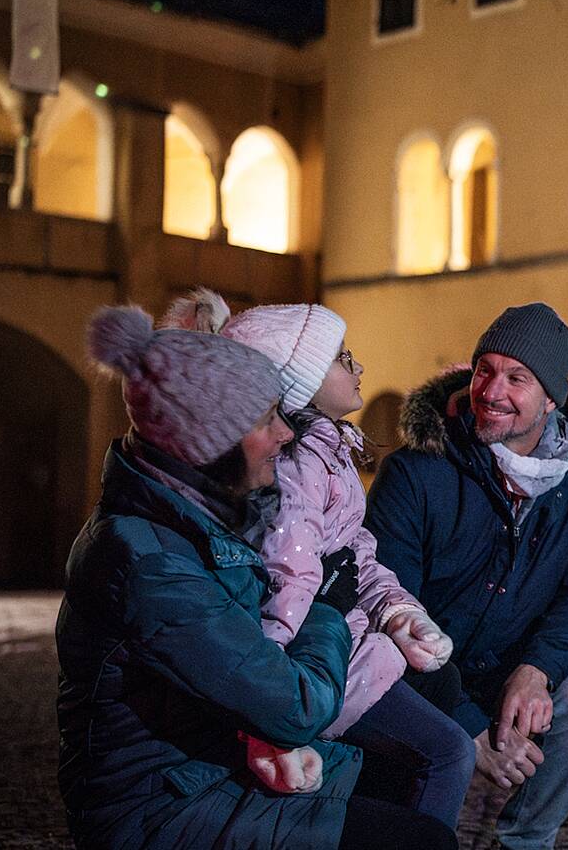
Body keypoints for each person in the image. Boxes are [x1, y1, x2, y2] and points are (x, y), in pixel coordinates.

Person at [58, 305, 455, 850]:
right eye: (265, 419)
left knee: (404, 773)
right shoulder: (150, 564)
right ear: (211, 443)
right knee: (420, 836)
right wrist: (328, 609)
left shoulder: (202, 513)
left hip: (208, 770)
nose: (283, 433)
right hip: (163, 809)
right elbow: (293, 707)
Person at [161, 289, 476, 827]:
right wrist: (270, 716)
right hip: (317, 664)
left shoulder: (329, 451)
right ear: (300, 381)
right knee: (448, 754)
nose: (357, 366)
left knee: (439, 692)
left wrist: (399, 613)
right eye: (340, 357)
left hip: (345, 644)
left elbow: (358, 552)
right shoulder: (302, 463)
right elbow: (288, 580)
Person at [367, 302, 568, 850]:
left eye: (517, 377)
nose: (491, 390)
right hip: (420, 674)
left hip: (509, 665)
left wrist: (537, 670)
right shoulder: (418, 471)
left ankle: (526, 841)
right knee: (438, 768)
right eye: (485, 368)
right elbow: (386, 610)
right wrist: (467, 725)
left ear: (550, 398)